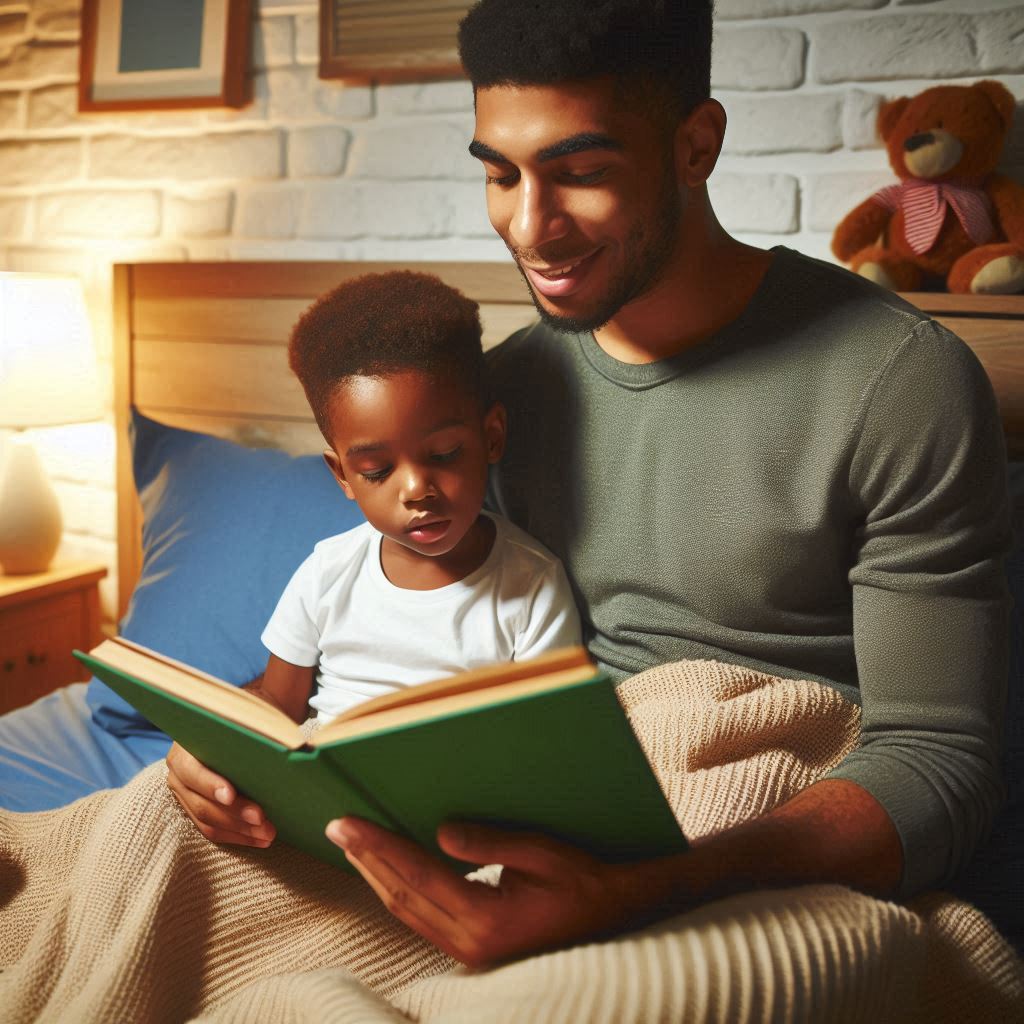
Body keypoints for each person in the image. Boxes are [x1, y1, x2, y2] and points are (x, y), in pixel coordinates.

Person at [170, 0, 1011, 967]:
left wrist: (631, 893)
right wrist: (226, 749)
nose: (531, 227)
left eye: (581, 173)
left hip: (753, 834)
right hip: (531, 815)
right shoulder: (498, 398)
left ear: (696, 145)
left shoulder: (899, 382)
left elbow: (941, 764)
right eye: (498, 173)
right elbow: (412, 641)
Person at [165, 270, 580, 843]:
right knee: (152, 814)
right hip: (321, 805)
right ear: (342, 476)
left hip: (455, 821)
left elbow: (549, 746)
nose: (415, 489)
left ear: (491, 436)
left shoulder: (532, 586)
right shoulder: (328, 572)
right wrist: (208, 743)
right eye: (377, 471)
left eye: (443, 453)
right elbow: (277, 702)